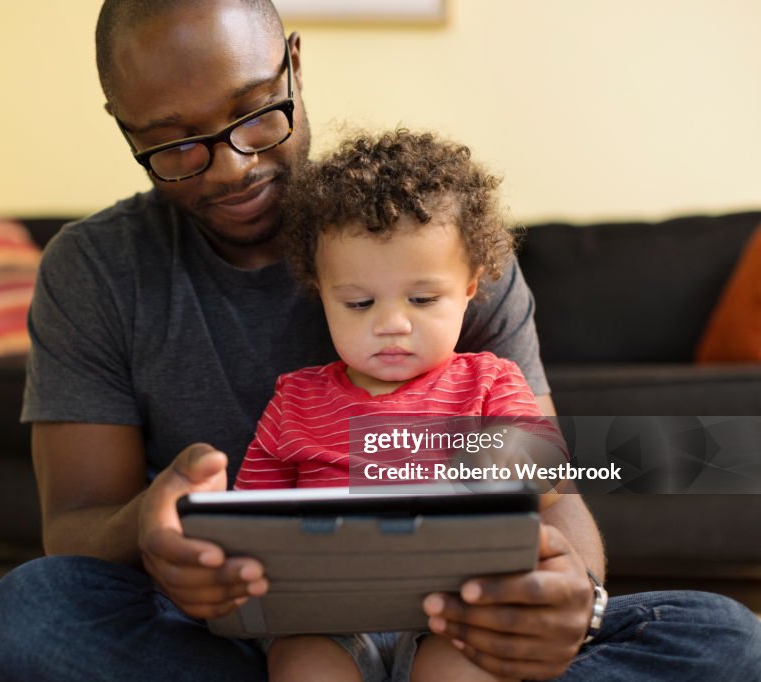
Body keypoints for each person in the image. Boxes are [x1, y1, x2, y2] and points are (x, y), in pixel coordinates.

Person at [0, 1, 761, 680]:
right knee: (30, 619)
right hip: (260, 636)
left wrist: (572, 603)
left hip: (458, 628)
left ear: (294, 65)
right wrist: (151, 528)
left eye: (256, 112)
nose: (233, 166)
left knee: (722, 641)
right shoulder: (95, 270)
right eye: (174, 143)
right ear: (121, 122)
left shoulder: (435, 243)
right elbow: (72, 527)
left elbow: (557, 494)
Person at [234, 129, 568, 682]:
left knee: (464, 665)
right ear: (321, 291)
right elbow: (252, 519)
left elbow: (548, 480)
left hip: (456, 610)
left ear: (472, 286)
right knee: (301, 663)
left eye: (422, 299)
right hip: (327, 617)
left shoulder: (489, 382)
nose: (391, 324)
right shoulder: (295, 399)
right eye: (359, 302)